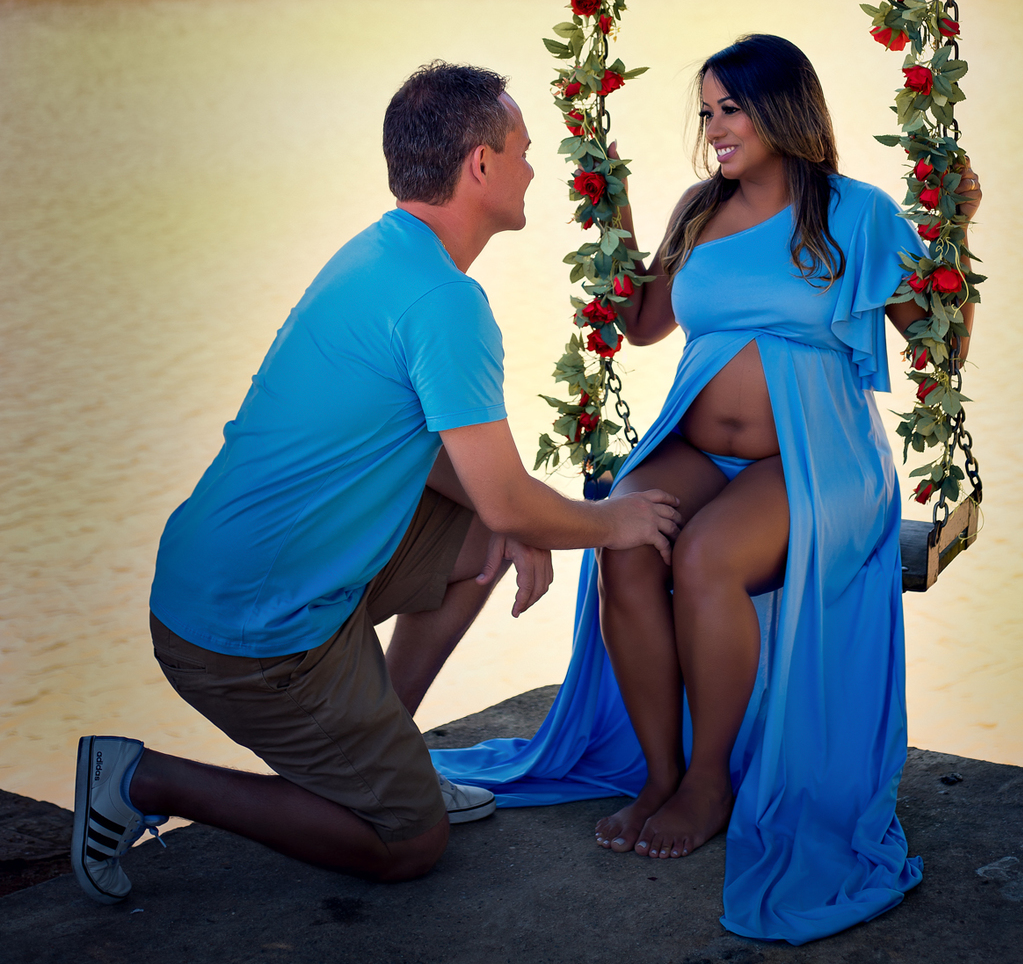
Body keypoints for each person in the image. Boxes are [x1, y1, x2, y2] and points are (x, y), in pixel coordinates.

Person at [72, 62, 681, 907]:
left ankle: (388, 757)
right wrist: (614, 521)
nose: (533, 167)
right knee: (408, 843)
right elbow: (509, 497)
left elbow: (444, 465)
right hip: (252, 634)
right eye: (521, 149)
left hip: (230, 581)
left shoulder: (380, 252)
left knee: (493, 530)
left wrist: (516, 520)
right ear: (480, 165)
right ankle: (141, 780)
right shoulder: (444, 301)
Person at [426, 33, 982, 948]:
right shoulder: (700, 208)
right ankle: (660, 771)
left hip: (811, 457)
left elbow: (942, 346)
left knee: (706, 558)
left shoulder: (857, 214)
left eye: (732, 110)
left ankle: (710, 779)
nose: (715, 128)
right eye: (707, 112)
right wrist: (613, 210)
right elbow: (644, 323)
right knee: (624, 537)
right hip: (693, 444)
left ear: (783, 111)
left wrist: (957, 233)